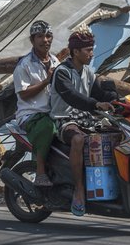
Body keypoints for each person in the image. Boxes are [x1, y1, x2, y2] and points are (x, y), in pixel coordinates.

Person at [49, 27, 117, 216]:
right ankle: (79, 190)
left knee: (116, 134)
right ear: (75, 51)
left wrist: (114, 97)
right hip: (64, 119)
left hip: (86, 119)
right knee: (78, 139)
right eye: (88, 50)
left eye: (92, 48)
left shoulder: (88, 72)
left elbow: (99, 93)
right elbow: (73, 97)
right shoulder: (62, 72)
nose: (91, 53)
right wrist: (97, 104)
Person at [12, 20, 59, 186]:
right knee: (47, 126)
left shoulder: (55, 62)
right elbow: (24, 94)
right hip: (30, 116)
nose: (45, 40)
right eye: (40, 36)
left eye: (48, 36)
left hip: (52, 114)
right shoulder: (24, 65)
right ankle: (40, 172)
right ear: (32, 40)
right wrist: (46, 81)